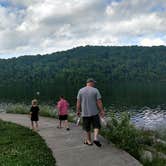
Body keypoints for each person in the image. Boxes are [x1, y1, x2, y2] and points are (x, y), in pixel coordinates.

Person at [76, 78, 105, 147]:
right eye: (94, 83)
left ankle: (89, 141)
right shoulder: (95, 90)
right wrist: (101, 110)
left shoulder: (81, 90)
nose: (94, 84)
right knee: (96, 125)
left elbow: (78, 102)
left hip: (85, 113)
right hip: (94, 112)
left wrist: (78, 111)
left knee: (87, 127)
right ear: (90, 82)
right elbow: (99, 102)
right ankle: (95, 138)